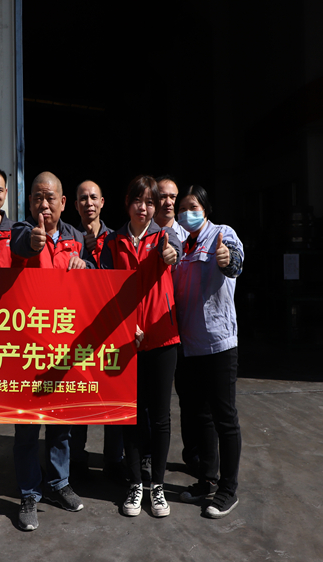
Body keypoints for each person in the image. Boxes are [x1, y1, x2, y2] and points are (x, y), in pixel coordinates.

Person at [8, 171, 89, 531]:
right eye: (37, 198)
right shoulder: (21, 231)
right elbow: (20, 246)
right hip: (28, 348)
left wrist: (85, 265)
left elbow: (94, 281)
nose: (44, 205)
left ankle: (59, 483)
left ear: (63, 203)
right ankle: (29, 492)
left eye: (50, 198)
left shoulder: (76, 237)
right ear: (29, 202)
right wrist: (33, 243)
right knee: (27, 427)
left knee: (61, 424)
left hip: (64, 346)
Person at [99, 175, 180, 518]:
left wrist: (171, 255)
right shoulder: (112, 241)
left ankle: (157, 485)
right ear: (127, 203)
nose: (143, 208)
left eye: (149, 202)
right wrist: (124, 326)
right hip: (126, 340)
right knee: (130, 414)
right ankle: (135, 483)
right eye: (138, 201)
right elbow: (103, 289)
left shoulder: (165, 237)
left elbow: (176, 254)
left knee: (160, 417)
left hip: (162, 338)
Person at [173, 184, 244, 519]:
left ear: (205, 208)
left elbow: (235, 263)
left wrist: (227, 260)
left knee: (224, 418)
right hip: (190, 346)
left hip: (218, 344)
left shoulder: (221, 234)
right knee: (199, 416)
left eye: (193, 207)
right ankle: (207, 479)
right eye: (182, 208)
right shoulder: (181, 245)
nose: (187, 213)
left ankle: (228, 490)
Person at [69, 180, 125, 483]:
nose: (88, 202)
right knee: (79, 394)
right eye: (83, 198)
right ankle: (76, 457)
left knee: (112, 395)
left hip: (110, 330)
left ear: (102, 202)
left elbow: (120, 282)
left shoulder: (116, 239)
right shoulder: (69, 238)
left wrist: (96, 255)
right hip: (77, 329)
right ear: (75, 204)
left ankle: (114, 460)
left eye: (93, 197)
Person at [155, 175, 200, 476]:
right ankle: (147, 457)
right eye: (163, 196)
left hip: (185, 327)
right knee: (152, 401)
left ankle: (193, 455)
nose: (169, 202)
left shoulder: (189, 235)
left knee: (190, 396)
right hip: (155, 329)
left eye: (173, 196)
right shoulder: (144, 231)